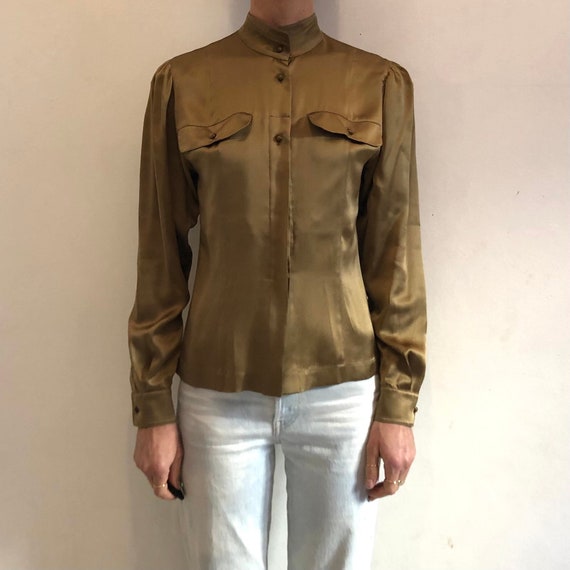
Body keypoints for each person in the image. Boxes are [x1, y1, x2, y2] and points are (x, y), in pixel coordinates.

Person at [127, 0, 427, 568]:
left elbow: (396, 254)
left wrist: (398, 404)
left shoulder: (380, 84)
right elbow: (159, 255)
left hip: (341, 390)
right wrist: (152, 405)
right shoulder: (182, 83)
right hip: (218, 392)